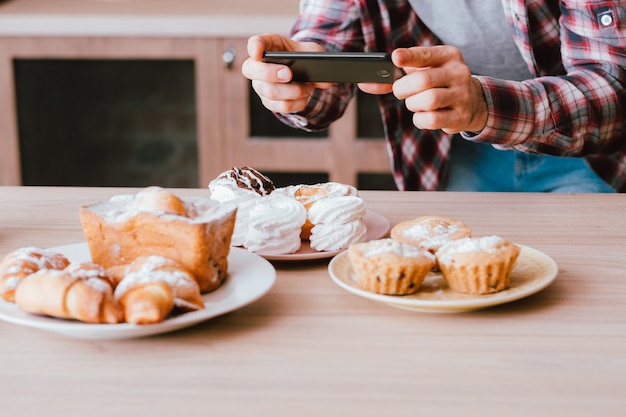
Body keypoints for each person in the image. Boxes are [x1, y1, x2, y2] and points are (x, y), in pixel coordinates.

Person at [242, 0, 626, 192]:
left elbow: (614, 88)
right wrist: (295, 85)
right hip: (451, 151)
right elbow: (324, 54)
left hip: (587, 158)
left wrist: (482, 105)